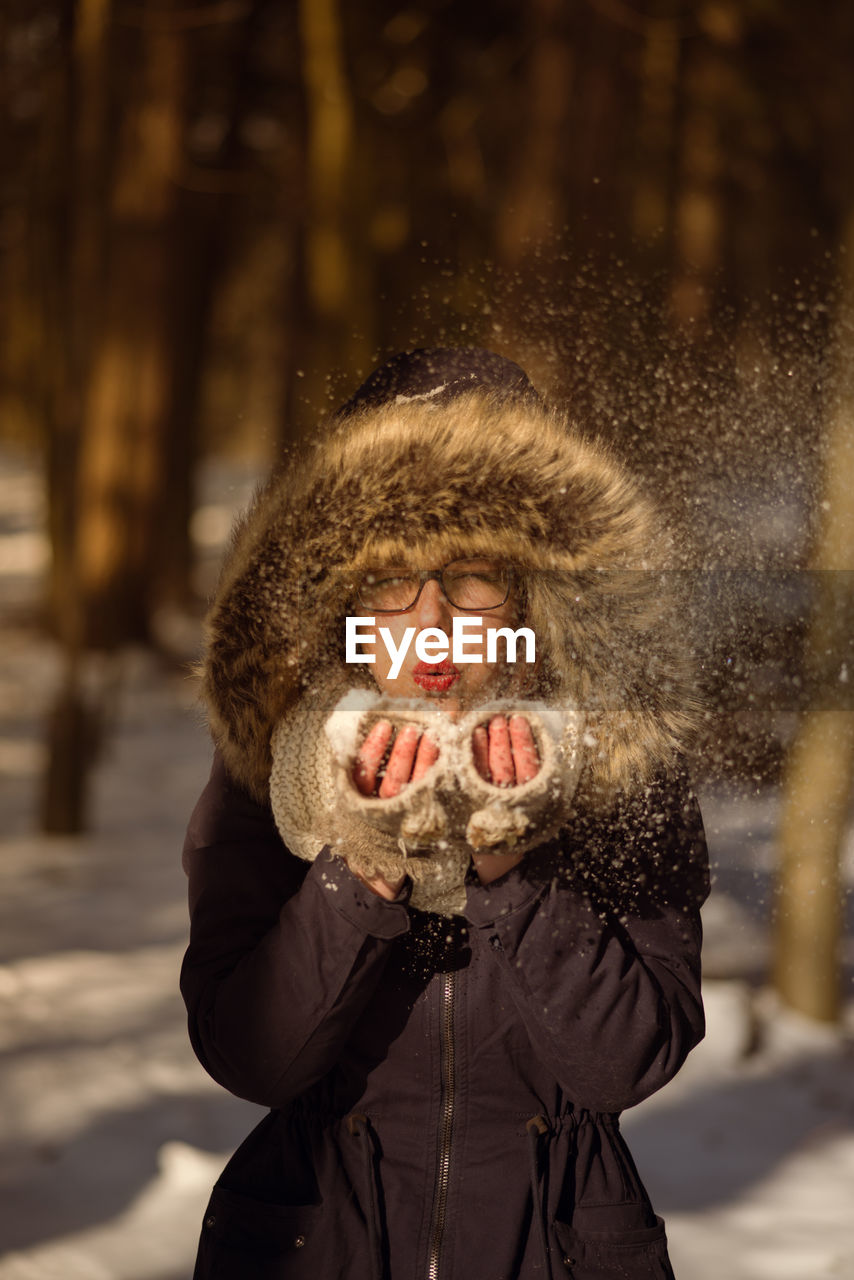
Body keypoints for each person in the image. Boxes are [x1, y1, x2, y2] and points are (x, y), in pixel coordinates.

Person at [181, 347, 709, 1279]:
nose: (432, 622)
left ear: (536, 595)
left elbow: (630, 1059)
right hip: (315, 1242)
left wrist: (514, 870)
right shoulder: (275, 760)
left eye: (472, 577)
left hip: (554, 1245)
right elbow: (248, 1053)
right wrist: (365, 857)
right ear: (345, 600)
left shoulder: (621, 766)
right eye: (393, 582)